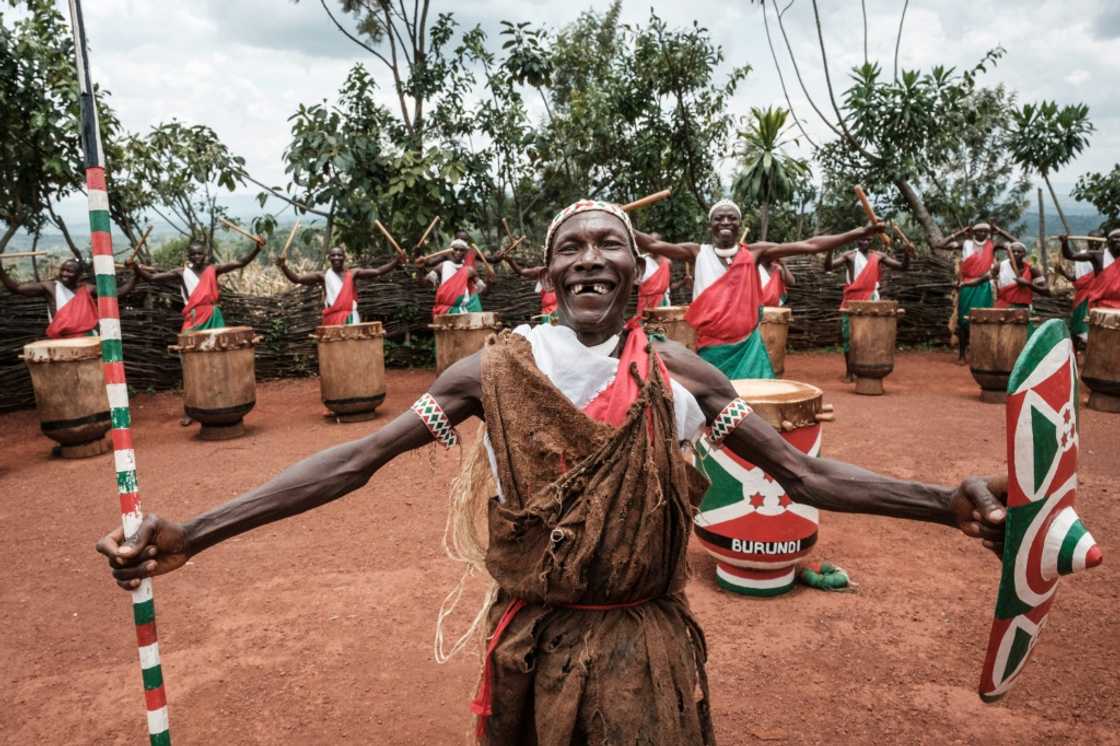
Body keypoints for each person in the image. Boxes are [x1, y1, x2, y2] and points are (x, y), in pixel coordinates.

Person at [97, 199, 1008, 745]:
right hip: (529, 648)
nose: (589, 259)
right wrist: (193, 536)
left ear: (640, 270)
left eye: (608, 244)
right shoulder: (491, 373)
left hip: (646, 652)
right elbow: (355, 461)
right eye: (571, 247)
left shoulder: (684, 375)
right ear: (546, 273)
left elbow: (801, 479)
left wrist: (946, 504)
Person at [637, 198, 885, 380]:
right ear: (710, 224)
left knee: (756, 408)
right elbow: (651, 243)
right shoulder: (697, 252)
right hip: (711, 349)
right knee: (714, 412)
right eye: (719, 218)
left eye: (731, 217)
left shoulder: (755, 253)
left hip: (749, 348)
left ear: (739, 223)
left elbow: (810, 244)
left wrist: (859, 232)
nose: (725, 222)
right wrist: (616, 216)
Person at [824, 236, 911, 380]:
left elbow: (903, 267)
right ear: (857, 240)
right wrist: (830, 250)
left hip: (872, 299)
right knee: (848, 336)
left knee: (870, 335)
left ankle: (868, 368)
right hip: (852, 300)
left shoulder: (878, 256)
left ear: (871, 241)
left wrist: (907, 253)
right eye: (862, 239)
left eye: (868, 239)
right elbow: (828, 267)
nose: (864, 242)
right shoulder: (850, 256)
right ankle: (849, 372)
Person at [133, 239, 263, 333]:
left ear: (204, 255)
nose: (196, 256)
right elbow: (151, 278)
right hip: (194, 317)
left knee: (218, 349)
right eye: (193, 254)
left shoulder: (213, 270)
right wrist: (135, 267)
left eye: (199, 253)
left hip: (213, 316)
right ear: (188, 256)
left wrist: (257, 249)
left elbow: (241, 263)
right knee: (189, 346)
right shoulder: (182, 272)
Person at [0, 256, 138, 338]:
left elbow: (118, 293)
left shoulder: (87, 289)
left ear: (79, 275)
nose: (64, 274)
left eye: (69, 271)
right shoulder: (50, 287)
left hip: (87, 339)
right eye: (63, 270)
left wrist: (136, 274)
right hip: (62, 341)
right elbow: (16, 288)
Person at [276, 245, 400, 325]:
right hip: (332, 319)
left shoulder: (353, 273)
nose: (336, 257)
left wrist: (396, 261)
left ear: (344, 257)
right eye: (333, 255)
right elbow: (298, 279)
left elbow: (377, 271)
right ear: (329, 258)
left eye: (339, 255)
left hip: (351, 317)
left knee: (353, 348)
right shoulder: (323, 276)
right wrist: (284, 266)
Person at [940, 223, 1003, 363]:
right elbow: (941, 245)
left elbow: (1016, 244)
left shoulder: (993, 245)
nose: (982, 233)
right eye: (979, 231)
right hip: (967, 285)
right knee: (963, 320)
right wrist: (960, 232)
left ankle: (981, 355)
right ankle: (962, 355)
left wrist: (1000, 231)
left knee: (984, 318)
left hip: (984, 285)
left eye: (985, 231)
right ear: (973, 232)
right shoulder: (965, 244)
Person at [417, 232, 496, 316]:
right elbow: (423, 283)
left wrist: (489, 281)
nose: (458, 252)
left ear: (466, 252)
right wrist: (419, 268)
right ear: (451, 250)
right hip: (446, 310)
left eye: (461, 250)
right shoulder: (442, 266)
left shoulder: (470, 271)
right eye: (455, 249)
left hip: (466, 309)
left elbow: (484, 292)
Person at [1055, 234, 1107, 346]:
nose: (1094, 243)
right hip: (1083, 294)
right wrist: (1064, 273)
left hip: (1098, 294)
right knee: (1079, 323)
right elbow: (1078, 278)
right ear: (1088, 241)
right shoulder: (1085, 255)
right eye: (1091, 241)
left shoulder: (1106, 257)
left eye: (1096, 241)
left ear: (1102, 242)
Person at [1062, 229, 1120, 312]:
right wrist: (1064, 243)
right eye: (1116, 237)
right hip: (1102, 304)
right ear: (1108, 241)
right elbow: (1070, 255)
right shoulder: (1098, 256)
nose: (1118, 240)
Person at [993, 242, 1049, 311]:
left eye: (1019, 251)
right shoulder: (1000, 266)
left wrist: (1028, 284)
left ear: (1024, 254)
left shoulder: (1032, 269)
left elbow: (1046, 292)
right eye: (1013, 251)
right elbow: (989, 283)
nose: (1015, 253)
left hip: (1022, 309)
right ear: (1008, 254)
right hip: (1002, 308)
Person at [503, 255, 556, 320]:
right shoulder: (542, 271)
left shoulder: (567, 272)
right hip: (548, 314)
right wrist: (509, 260)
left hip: (564, 314)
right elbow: (521, 271)